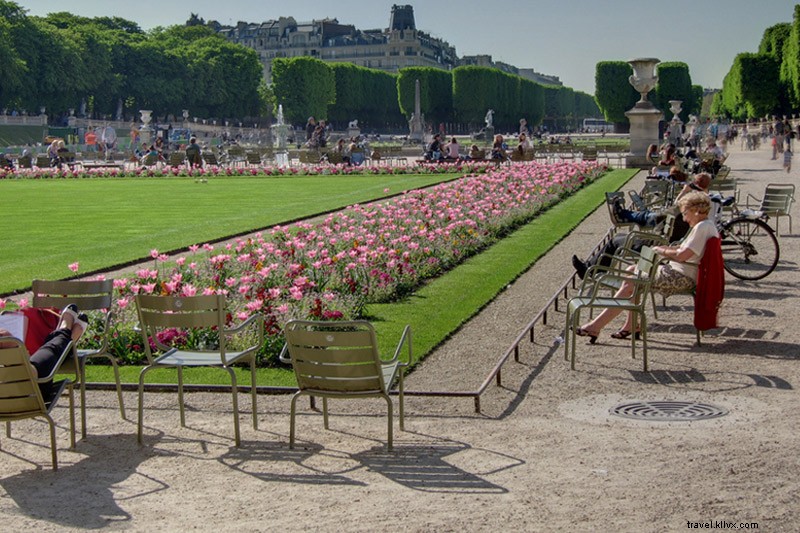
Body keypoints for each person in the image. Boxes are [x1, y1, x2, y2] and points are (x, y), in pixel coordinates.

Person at [575, 192, 718, 342]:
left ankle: (595, 326)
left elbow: (682, 255)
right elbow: (683, 251)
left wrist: (660, 250)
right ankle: (630, 324)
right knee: (631, 271)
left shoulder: (702, 227)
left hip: (682, 276)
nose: (683, 218)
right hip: (681, 271)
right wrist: (666, 249)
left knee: (631, 281)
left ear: (695, 211)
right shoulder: (704, 225)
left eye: (685, 213)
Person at [572, 173, 712, 280]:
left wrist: (660, 249)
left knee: (615, 241)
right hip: (660, 244)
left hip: (655, 246)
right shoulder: (699, 221)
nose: (685, 215)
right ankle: (595, 270)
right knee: (621, 238)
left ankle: (591, 270)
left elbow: (679, 251)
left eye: (686, 212)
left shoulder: (691, 220)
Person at [0, 305, 88, 385]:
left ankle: (67, 337)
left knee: (48, 351)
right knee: (50, 350)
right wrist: (13, 346)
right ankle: (66, 333)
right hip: (34, 387)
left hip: (10, 393)